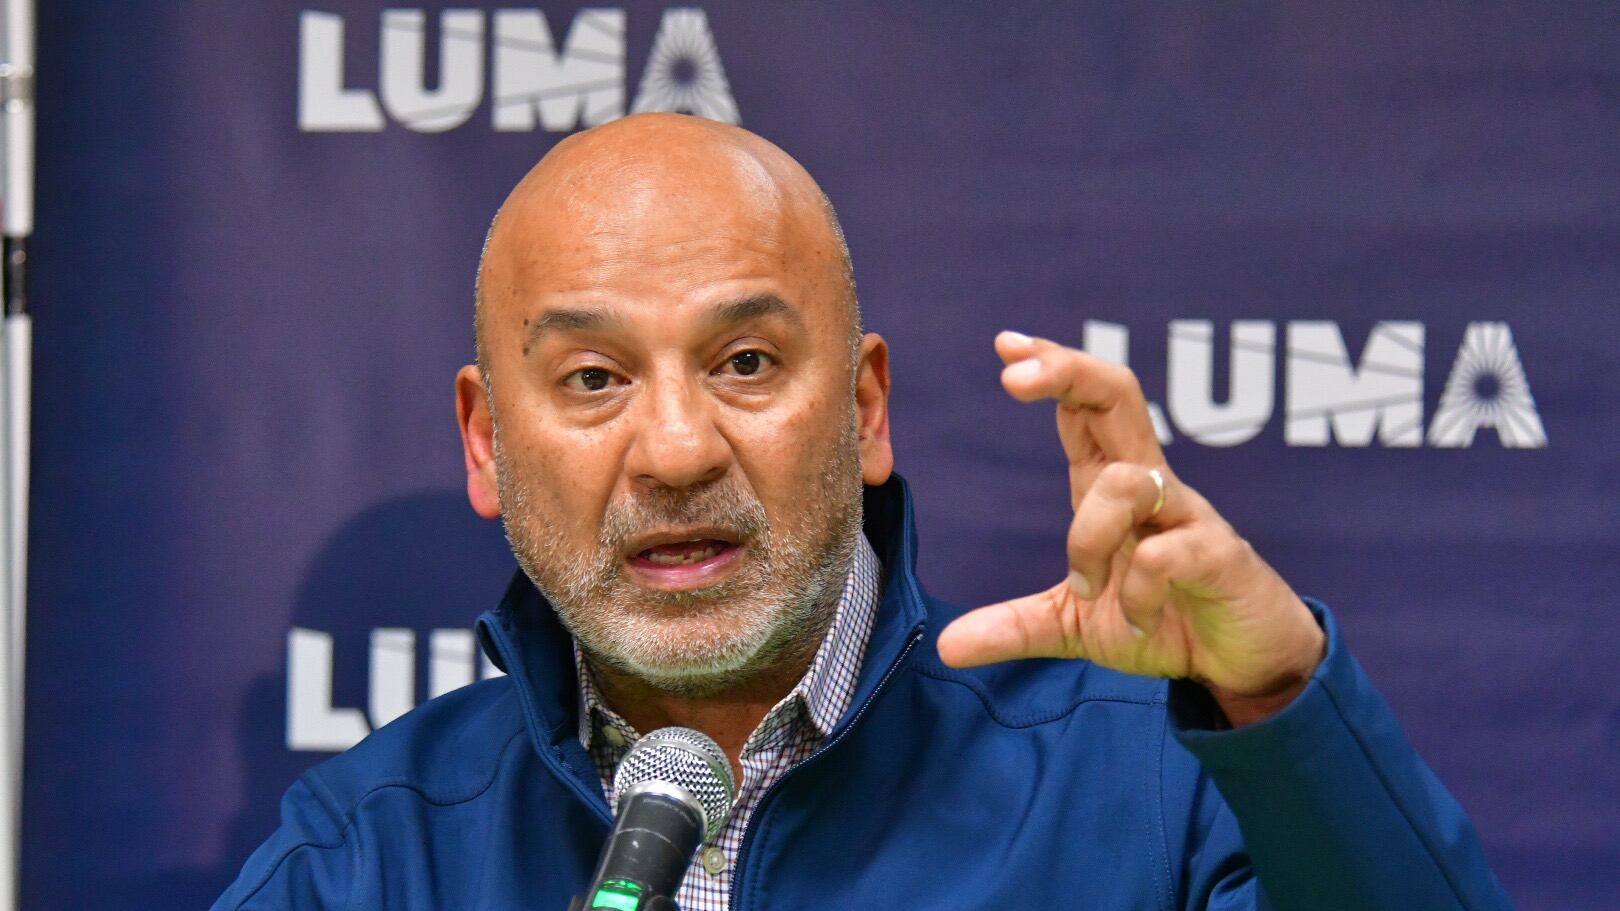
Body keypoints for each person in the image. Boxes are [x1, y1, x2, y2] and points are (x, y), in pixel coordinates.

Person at [213, 113, 1512, 910]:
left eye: (746, 364)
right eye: (594, 379)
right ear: (488, 442)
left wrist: (1278, 702)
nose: (677, 451)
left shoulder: (1152, 786)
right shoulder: (369, 858)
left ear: (865, 410)